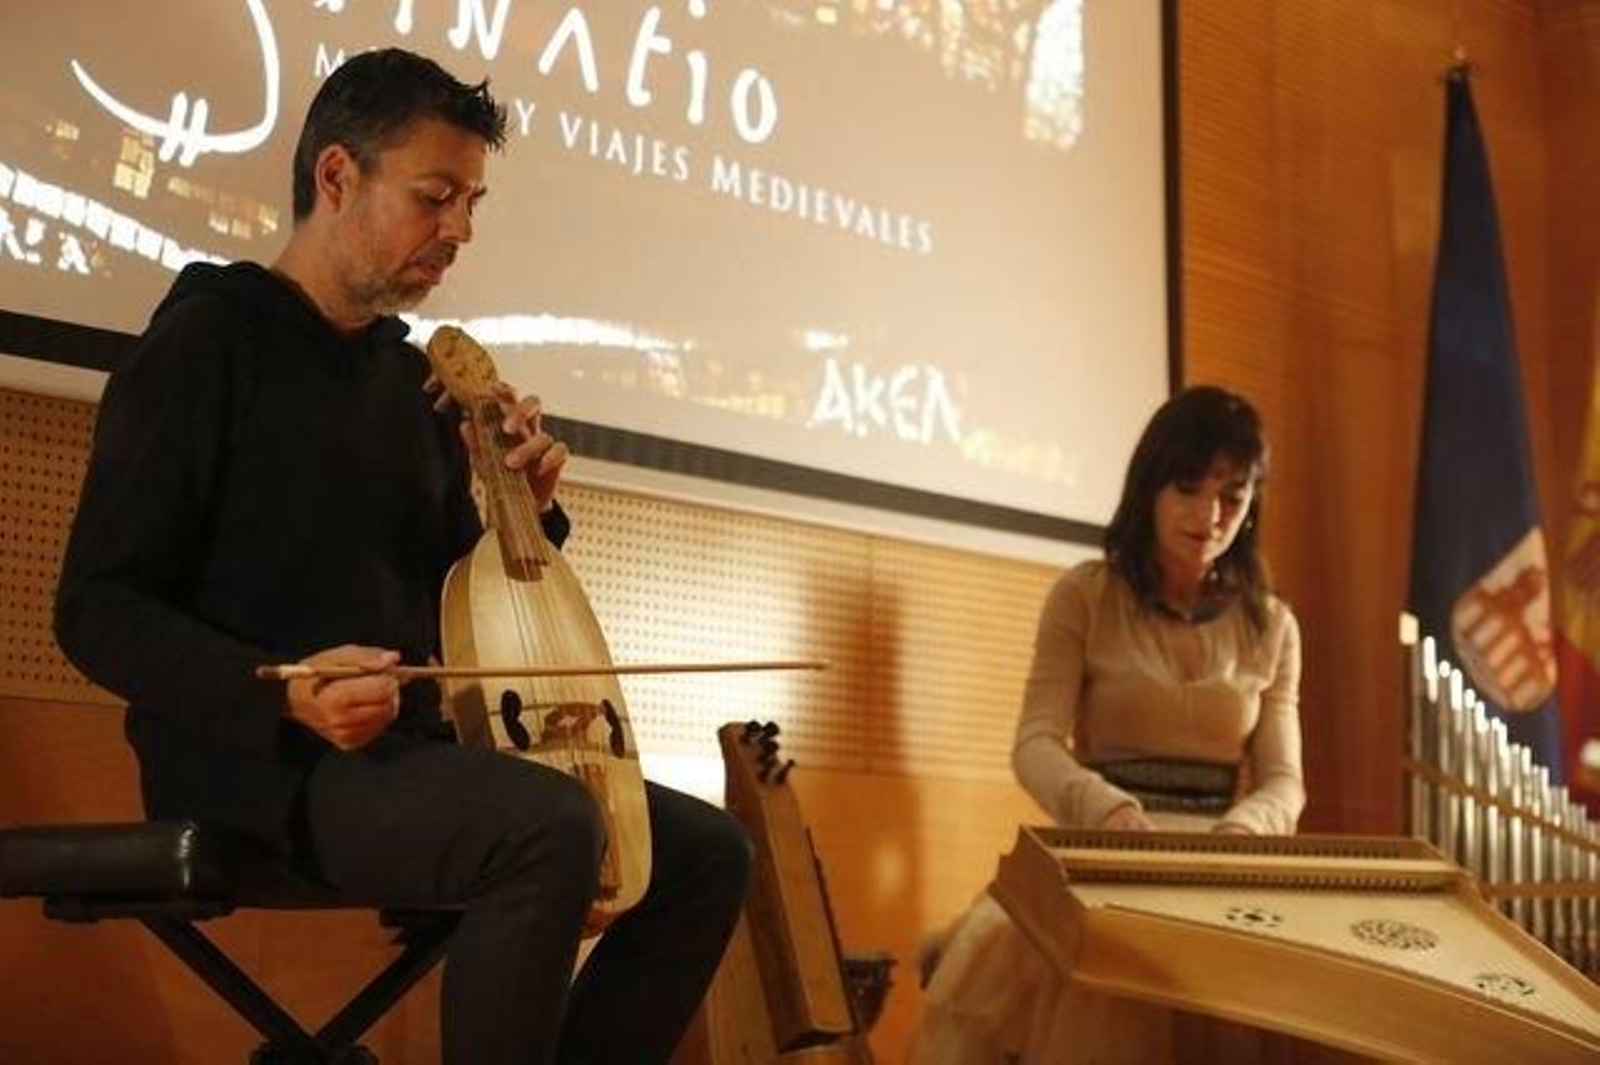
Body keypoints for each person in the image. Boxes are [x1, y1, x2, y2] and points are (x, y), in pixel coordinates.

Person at [53, 48, 750, 1064]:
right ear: (338, 177)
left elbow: (452, 595)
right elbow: (98, 608)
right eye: (435, 197)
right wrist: (285, 694)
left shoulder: (414, 380)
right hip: (249, 763)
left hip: (406, 761)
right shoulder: (208, 341)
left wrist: (523, 513)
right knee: (548, 826)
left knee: (701, 855)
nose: (459, 230)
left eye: (471, 202)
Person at [909, 385, 1304, 1063]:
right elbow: (1034, 742)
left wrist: (1243, 831)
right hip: (1100, 859)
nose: (1211, 515)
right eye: (1189, 487)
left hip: (1221, 875)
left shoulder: (1273, 623)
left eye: (1233, 496)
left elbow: (1283, 781)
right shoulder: (1084, 594)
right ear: (1150, 485)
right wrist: (1105, 808)